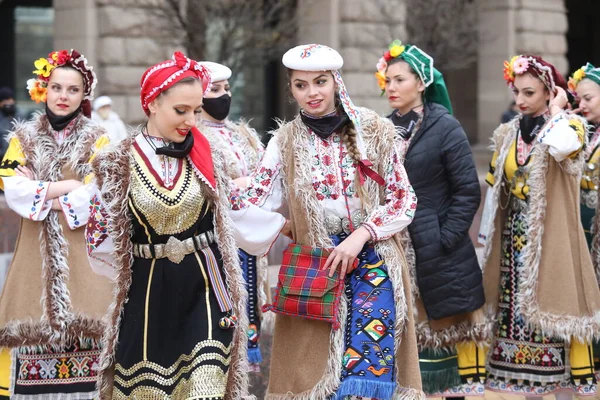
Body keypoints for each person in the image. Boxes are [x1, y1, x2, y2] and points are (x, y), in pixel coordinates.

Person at [85, 51, 286, 399]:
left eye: (196, 110)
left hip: (204, 285)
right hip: (147, 291)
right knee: (148, 390)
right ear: (151, 103)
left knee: (206, 384)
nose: (191, 120)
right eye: (181, 111)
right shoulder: (115, 163)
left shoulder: (210, 155)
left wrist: (290, 224)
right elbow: (99, 238)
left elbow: (238, 211)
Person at [243, 43, 423, 400]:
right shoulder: (284, 141)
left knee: (369, 367)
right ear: (291, 89)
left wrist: (360, 235)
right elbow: (252, 203)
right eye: (301, 85)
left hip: (373, 258)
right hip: (317, 266)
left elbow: (404, 198)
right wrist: (283, 224)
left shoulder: (372, 130)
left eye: (320, 82)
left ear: (335, 81)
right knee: (315, 376)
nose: (312, 93)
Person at [480, 54, 600, 399]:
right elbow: (494, 192)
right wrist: (487, 237)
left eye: (529, 92)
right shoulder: (507, 132)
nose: (520, 100)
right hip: (511, 237)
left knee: (553, 303)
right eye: (516, 91)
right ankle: (514, 377)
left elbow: (560, 145)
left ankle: (556, 381)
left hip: (551, 237)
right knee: (511, 307)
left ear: (550, 92)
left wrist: (561, 111)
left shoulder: (571, 127)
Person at [0, 49, 114, 398]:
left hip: (85, 257)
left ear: (84, 95)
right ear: (43, 90)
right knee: (29, 328)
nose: (63, 96)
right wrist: (70, 185)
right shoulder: (23, 138)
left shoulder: (100, 139)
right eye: (57, 88)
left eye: (73, 89)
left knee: (90, 330)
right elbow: (11, 186)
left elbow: (101, 189)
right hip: (34, 256)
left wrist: (43, 191)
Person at [376, 40, 486, 397]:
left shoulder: (445, 126)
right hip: (392, 250)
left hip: (436, 251)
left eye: (399, 80)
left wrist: (444, 236)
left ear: (421, 83)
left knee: (439, 345)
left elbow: (467, 190)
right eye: (387, 80)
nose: (391, 87)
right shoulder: (379, 130)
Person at [197, 61, 271, 370]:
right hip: (217, 237)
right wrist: (242, 185)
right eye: (215, 90)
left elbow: (267, 178)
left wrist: (250, 186)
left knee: (249, 302)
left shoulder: (245, 135)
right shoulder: (195, 136)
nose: (223, 96)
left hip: (251, 235)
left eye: (226, 89)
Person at [568, 62, 600, 375]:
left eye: (589, 98)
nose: (582, 104)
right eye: (579, 98)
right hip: (585, 233)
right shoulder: (582, 133)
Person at [0, 87, 25, 161]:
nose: (8, 103)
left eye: (10, 100)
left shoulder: (20, 115)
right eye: (5, 100)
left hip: (18, 158)